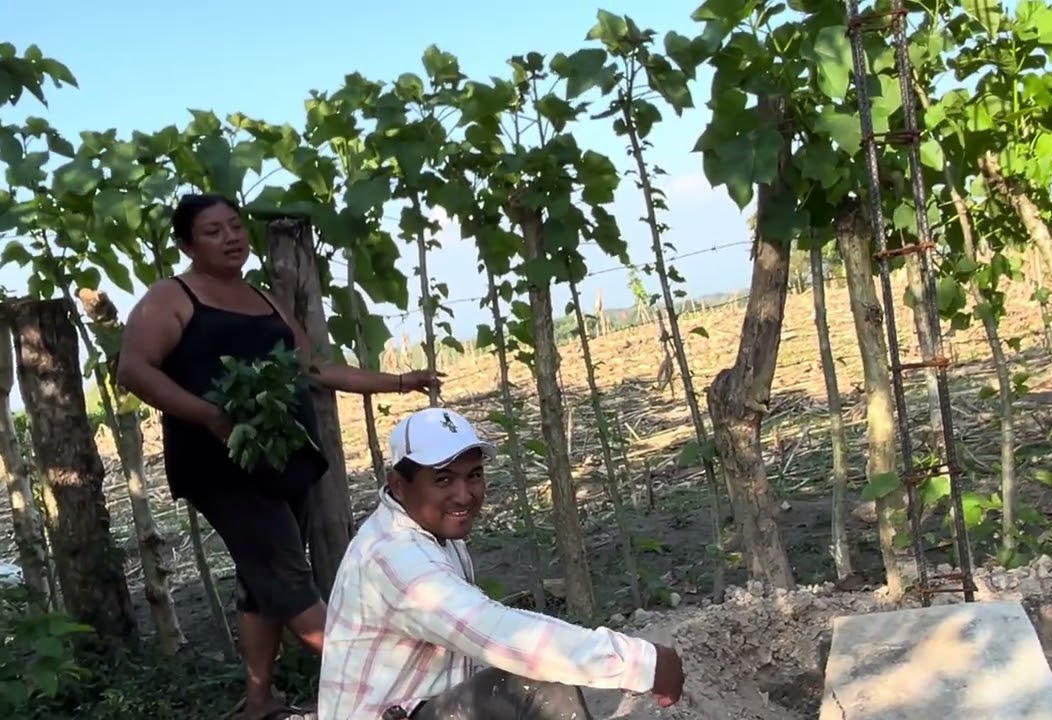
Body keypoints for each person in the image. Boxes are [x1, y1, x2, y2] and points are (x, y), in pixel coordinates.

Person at [117, 193, 443, 720]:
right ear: (186, 245)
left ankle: (259, 702)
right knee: (287, 581)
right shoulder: (171, 299)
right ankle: (391, 684)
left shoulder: (262, 299)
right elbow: (133, 370)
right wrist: (209, 416)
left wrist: (400, 382)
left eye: (235, 226)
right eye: (213, 231)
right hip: (222, 468)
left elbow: (310, 368)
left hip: (282, 461)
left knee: (258, 580)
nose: (232, 237)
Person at [318, 407, 685, 719]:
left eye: (474, 475)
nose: (464, 495)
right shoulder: (395, 558)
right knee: (541, 682)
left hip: (418, 707)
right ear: (398, 484)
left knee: (534, 669)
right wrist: (641, 662)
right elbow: (499, 633)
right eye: (443, 479)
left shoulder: (426, 530)